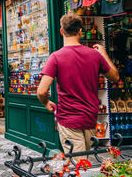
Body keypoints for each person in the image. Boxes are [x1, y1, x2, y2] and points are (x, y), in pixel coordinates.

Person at [37, 14, 119, 156]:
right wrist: (104, 54)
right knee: (83, 160)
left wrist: (46, 103)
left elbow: (42, 91)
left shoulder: (56, 57)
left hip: (68, 118)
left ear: (61, 31)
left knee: (79, 165)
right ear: (80, 31)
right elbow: (115, 77)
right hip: (90, 117)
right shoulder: (95, 55)